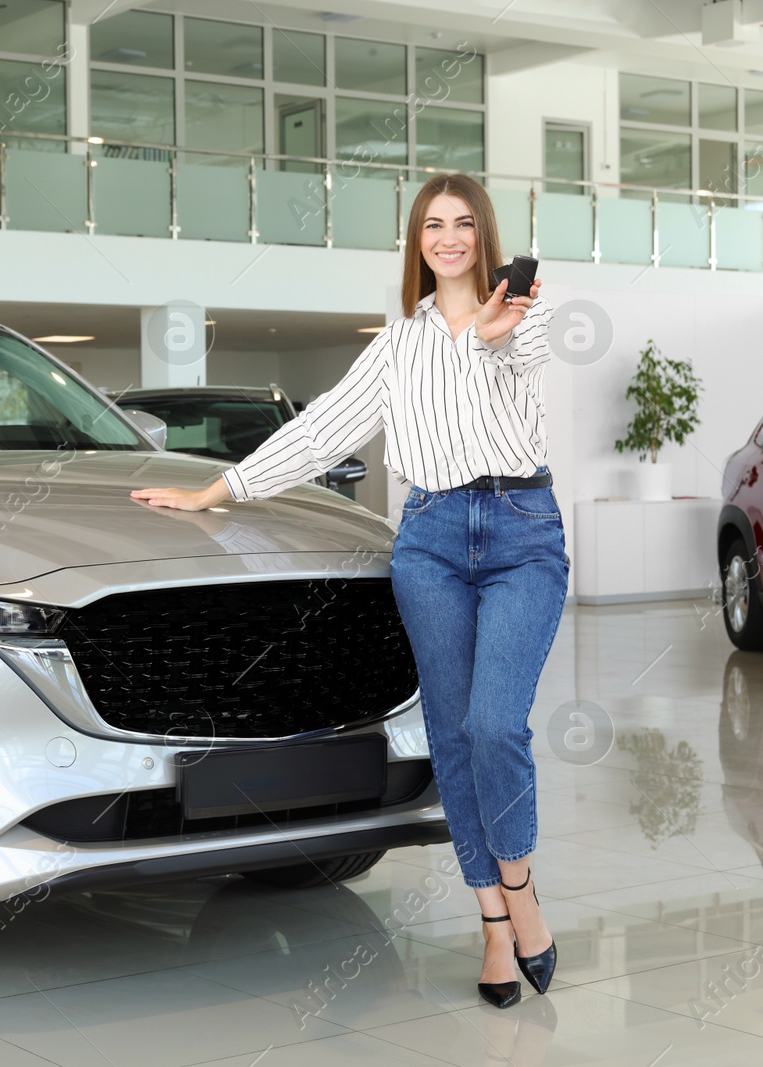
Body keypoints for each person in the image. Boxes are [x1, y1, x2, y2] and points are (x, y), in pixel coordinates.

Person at [131, 172, 565, 1010]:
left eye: (464, 223)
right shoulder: (398, 343)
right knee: (451, 733)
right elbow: (322, 428)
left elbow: (517, 379)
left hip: (521, 530)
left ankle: (522, 890)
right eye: (433, 224)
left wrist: (490, 337)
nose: (449, 237)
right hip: (431, 538)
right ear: (417, 240)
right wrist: (215, 491)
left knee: (493, 724)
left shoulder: (527, 316)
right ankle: (493, 928)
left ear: (485, 235)